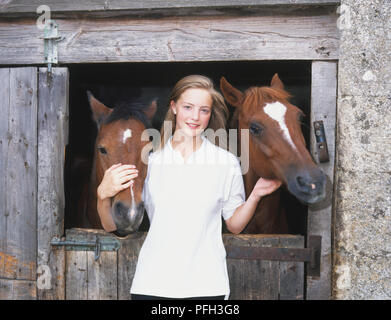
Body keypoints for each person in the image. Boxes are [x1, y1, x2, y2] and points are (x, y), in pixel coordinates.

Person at [96, 75, 282, 300]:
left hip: (207, 287)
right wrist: (102, 195)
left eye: (204, 110)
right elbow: (114, 227)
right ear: (173, 107)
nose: (195, 117)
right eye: (188, 107)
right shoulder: (149, 161)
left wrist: (256, 195)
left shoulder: (225, 162)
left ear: (210, 114)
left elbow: (234, 225)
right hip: (152, 285)